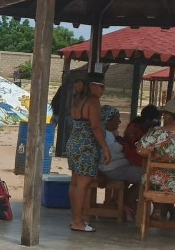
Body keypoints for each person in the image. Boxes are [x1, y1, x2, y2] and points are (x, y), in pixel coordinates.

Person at [66, 72, 111, 232]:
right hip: (86, 146)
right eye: (101, 86)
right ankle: (78, 221)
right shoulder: (93, 102)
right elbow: (95, 127)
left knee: (75, 182)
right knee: (83, 185)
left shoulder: (77, 100)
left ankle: (75, 219)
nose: (103, 91)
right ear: (92, 86)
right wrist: (105, 147)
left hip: (73, 143)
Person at [99, 105, 143, 220]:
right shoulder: (104, 135)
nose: (119, 121)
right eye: (117, 119)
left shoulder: (112, 133)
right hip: (112, 169)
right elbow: (116, 150)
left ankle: (121, 200)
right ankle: (126, 202)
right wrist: (125, 146)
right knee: (147, 177)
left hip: (119, 167)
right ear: (108, 120)